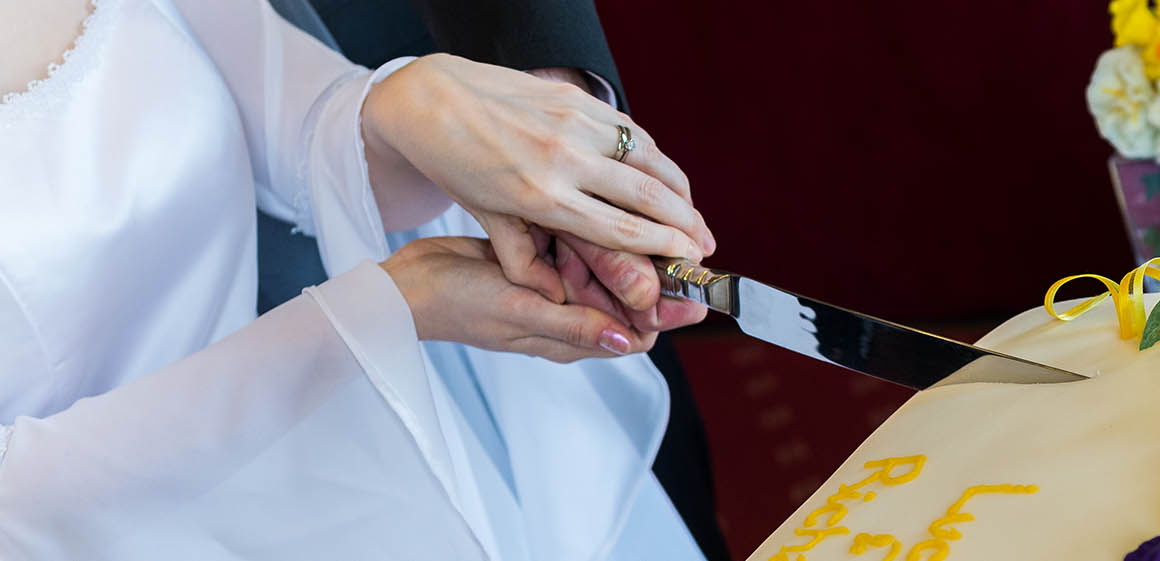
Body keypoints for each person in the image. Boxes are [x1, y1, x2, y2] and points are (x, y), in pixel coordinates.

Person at [0, 0, 713, 559]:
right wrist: (381, 311)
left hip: (348, 466)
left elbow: (295, 123)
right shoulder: (364, 321)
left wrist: (418, 106)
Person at [259, 1, 732, 558]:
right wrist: (387, 308)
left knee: (631, 465)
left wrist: (551, 99)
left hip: (435, 81)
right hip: (258, 314)